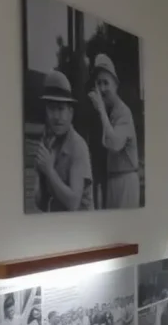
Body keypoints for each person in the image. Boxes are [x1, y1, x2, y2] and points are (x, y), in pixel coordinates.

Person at [33, 71, 93, 212]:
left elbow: (73, 203)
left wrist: (48, 170)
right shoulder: (49, 142)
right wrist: (41, 176)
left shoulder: (78, 146)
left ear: (70, 113)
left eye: (61, 109)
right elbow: (40, 203)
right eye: (52, 109)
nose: (57, 117)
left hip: (82, 226)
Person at [90, 54, 139, 209]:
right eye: (99, 84)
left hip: (125, 180)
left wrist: (101, 111)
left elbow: (114, 143)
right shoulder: (108, 112)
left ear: (116, 85)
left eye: (106, 83)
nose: (102, 89)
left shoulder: (123, 112)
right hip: (112, 180)